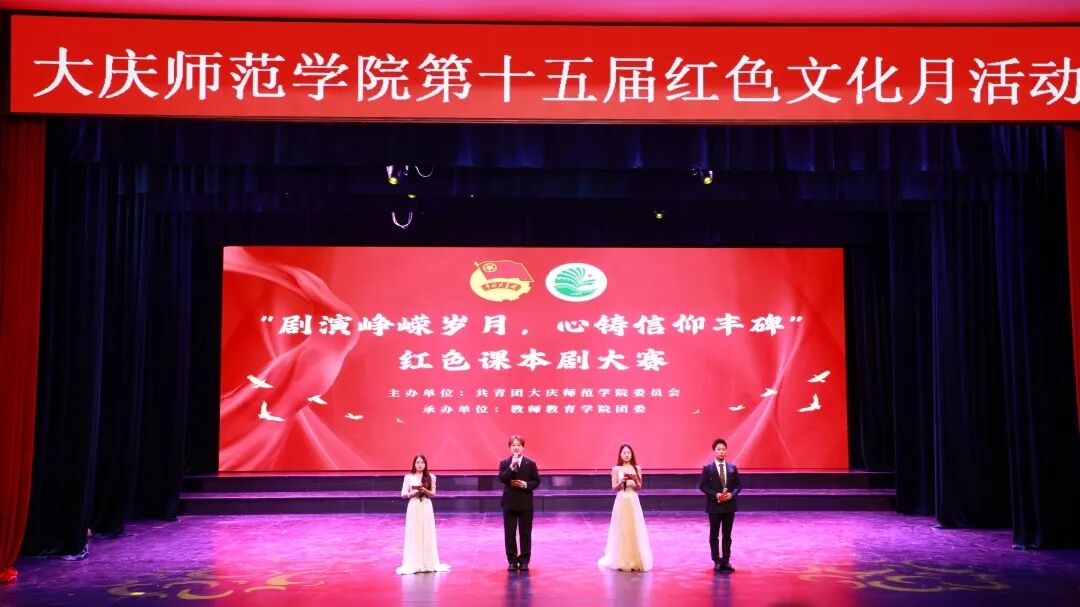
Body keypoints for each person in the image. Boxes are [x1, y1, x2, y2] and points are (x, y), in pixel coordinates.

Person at [598, 443, 654, 572]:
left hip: (633, 500)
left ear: (632, 454)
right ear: (620, 455)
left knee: (634, 527)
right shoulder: (616, 469)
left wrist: (636, 482)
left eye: (629, 452)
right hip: (621, 500)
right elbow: (614, 488)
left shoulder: (637, 468)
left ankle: (636, 559)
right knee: (622, 528)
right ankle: (621, 560)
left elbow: (639, 488)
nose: (627, 455)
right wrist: (621, 482)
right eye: (624, 452)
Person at [396, 454, 450, 574]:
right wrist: (413, 494)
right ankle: (414, 562)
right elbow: (403, 493)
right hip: (413, 506)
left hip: (426, 506)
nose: (420, 464)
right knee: (414, 532)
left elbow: (433, 494)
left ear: (425, 464)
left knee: (427, 532)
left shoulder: (431, 477)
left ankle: (427, 562)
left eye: (422, 462)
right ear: (414, 464)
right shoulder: (408, 477)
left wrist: (425, 490)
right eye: (417, 462)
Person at [498, 434, 541, 571]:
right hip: (509, 502)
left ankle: (524, 561)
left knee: (525, 533)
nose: (516, 448)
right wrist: (511, 467)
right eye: (513, 445)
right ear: (510, 447)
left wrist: (526, 484)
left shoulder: (530, 463)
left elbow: (536, 481)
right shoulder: (505, 463)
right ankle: (512, 561)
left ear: (523, 447)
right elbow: (502, 478)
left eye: (518, 445)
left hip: (525, 502)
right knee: (509, 533)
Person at [699, 438, 741, 572]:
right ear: (714, 451)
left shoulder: (732, 468)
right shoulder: (708, 468)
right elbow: (702, 486)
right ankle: (716, 561)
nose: (721, 451)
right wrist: (715, 494)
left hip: (729, 506)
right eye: (719, 449)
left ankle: (726, 561)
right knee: (714, 535)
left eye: (723, 449)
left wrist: (732, 494)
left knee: (727, 535)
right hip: (714, 507)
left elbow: (738, 485)